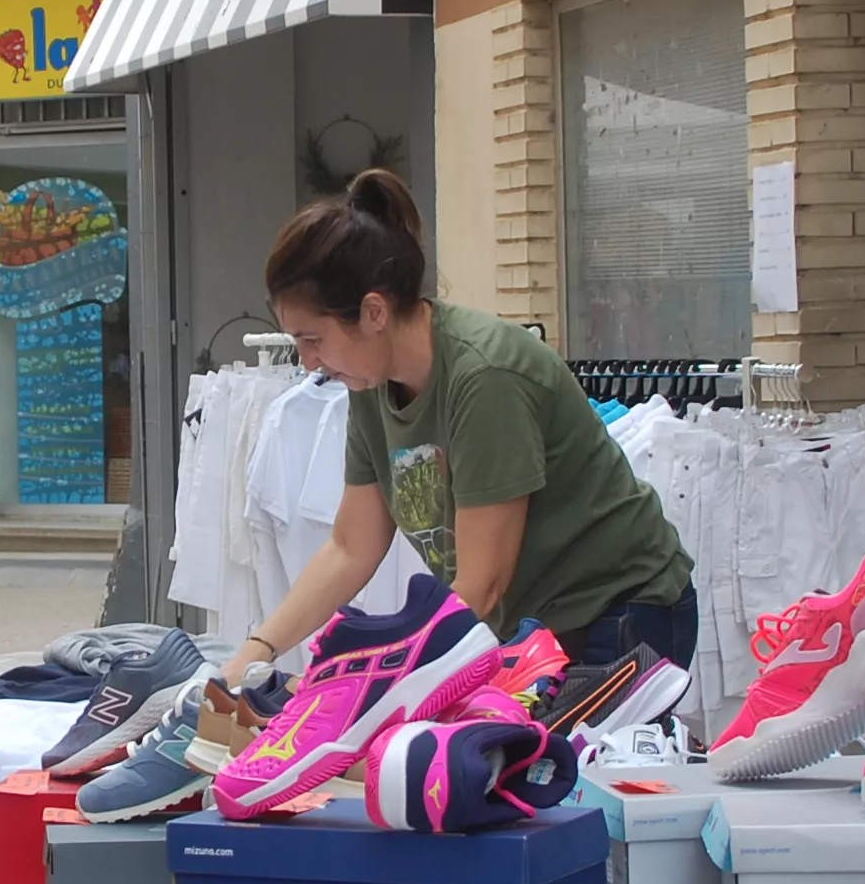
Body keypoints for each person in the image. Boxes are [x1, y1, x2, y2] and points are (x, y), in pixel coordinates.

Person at [221, 169, 698, 718]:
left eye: (313, 339)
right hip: (531, 628)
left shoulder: (485, 377)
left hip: (622, 615)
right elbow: (352, 548)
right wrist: (256, 652)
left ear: (374, 312)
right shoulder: (371, 385)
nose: (308, 362)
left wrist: (372, 688)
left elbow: (481, 584)